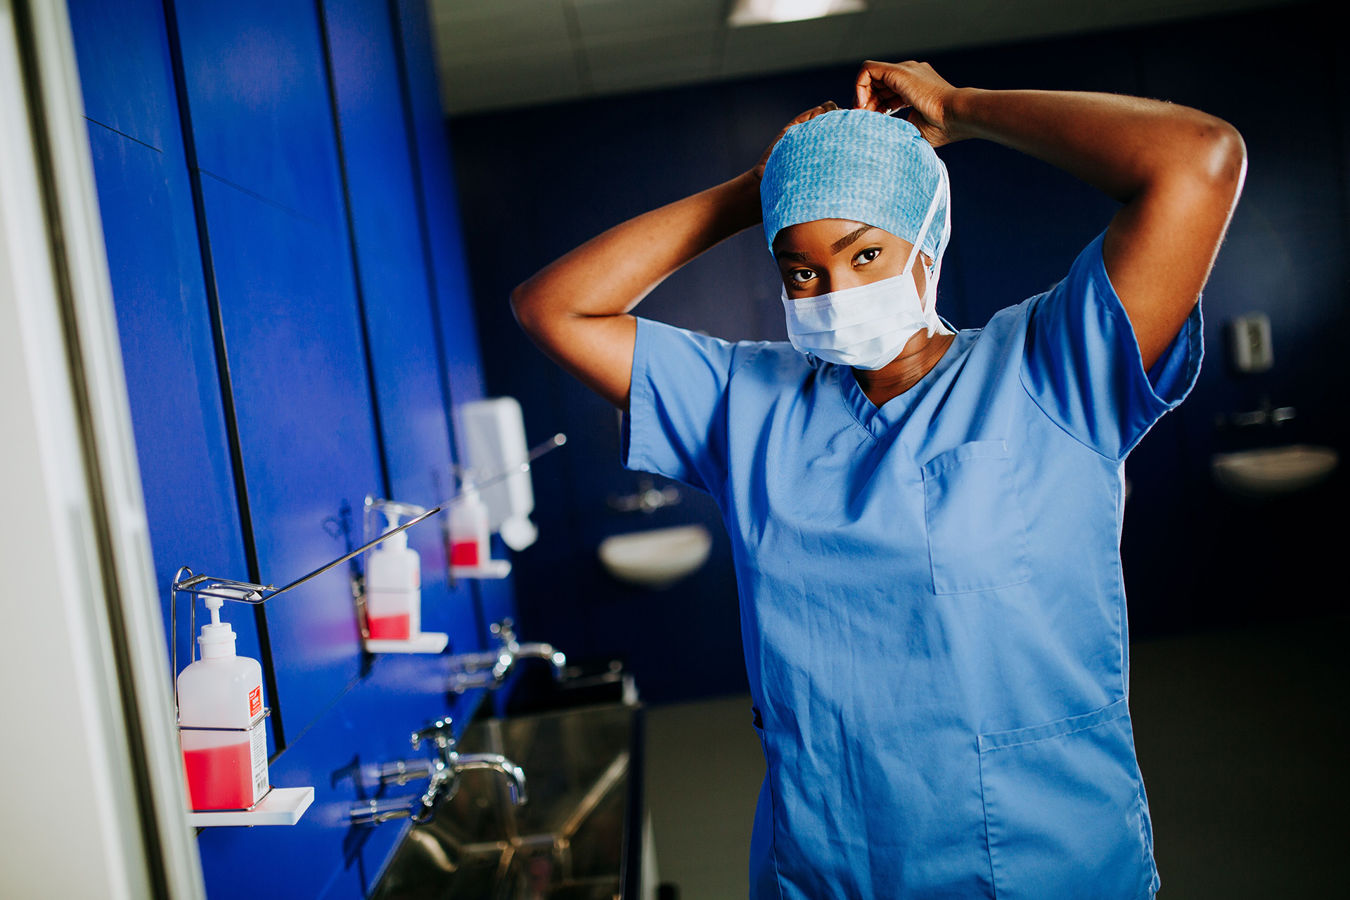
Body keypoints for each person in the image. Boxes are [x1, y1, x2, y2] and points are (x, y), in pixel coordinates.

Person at [511, 60, 1245, 899]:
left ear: (928, 243)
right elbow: (553, 307)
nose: (836, 292)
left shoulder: (1049, 368)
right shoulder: (744, 404)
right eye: (802, 271)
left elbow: (1199, 158)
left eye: (866, 254)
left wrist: (961, 109)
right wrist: (763, 189)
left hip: (1048, 858)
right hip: (833, 863)